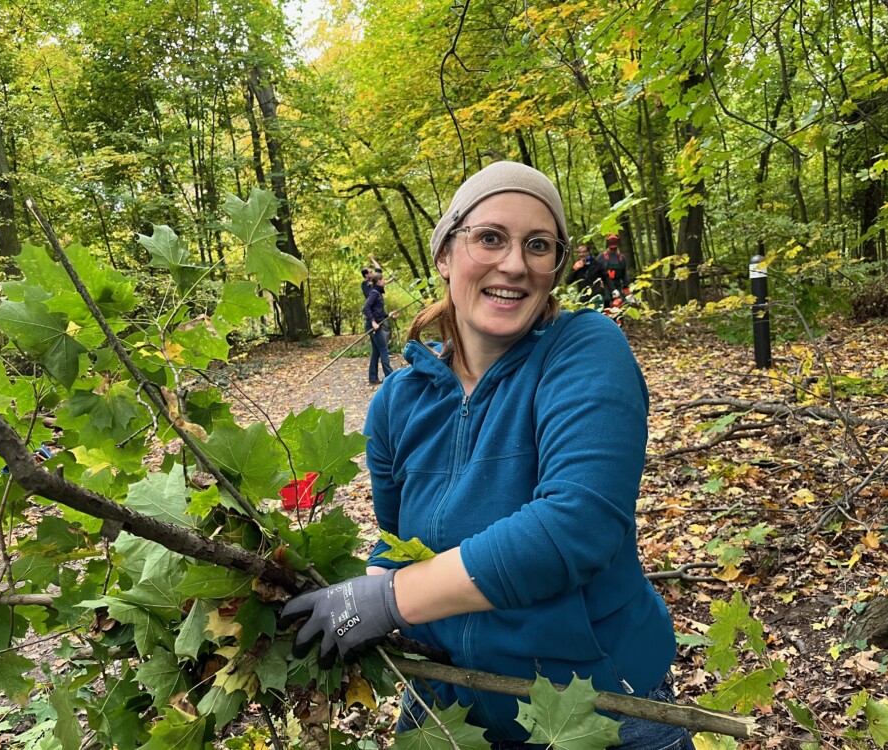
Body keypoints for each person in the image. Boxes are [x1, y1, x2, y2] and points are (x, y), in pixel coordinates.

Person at [281, 162, 694, 749]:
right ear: (445, 255)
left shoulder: (584, 349)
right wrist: (350, 601)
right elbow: (401, 547)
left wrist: (387, 601)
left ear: (555, 268)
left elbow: (577, 525)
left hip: (600, 707)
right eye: (491, 237)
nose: (515, 264)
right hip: (450, 706)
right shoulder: (398, 401)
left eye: (538, 245)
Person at [362, 273, 395, 385]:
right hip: (374, 327)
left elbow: (378, 312)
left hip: (375, 325)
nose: (385, 281)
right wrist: (373, 321)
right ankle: (390, 377)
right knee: (384, 350)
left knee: (376, 352)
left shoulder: (377, 293)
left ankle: (373, 378)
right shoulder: (374, 293)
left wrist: (389, 315)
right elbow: (365, 308)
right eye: (383, 280)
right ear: (379, 282)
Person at [565, 241, 606, 306]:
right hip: (583, 299)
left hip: (596, 297)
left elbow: (606, 278)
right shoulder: (576, 266)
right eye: (579, 252)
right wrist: (574, 269)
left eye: (584, 252)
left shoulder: (597, 264)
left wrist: (612, 291)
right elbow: (568, 281)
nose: (581, 254)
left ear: (588, 252)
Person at [599, 234, 631, 309]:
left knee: (620, 305)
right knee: (606, 303)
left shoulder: (621, 258)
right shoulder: (601, 257)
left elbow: (625, 275)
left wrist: (626, 288)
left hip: (618, 285)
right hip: (605, 286)